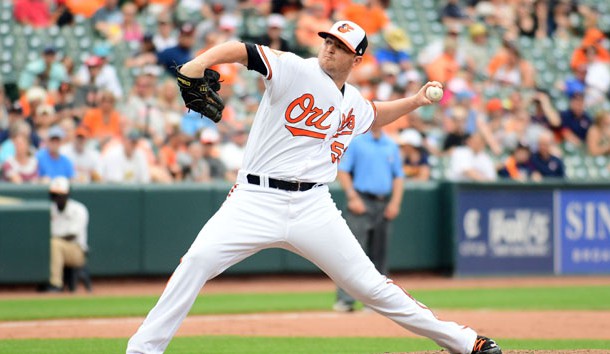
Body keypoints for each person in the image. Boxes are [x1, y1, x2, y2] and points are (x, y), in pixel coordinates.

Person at [127, 21, 502, 354]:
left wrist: (417, 101)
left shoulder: (352, 101)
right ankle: (143, 350)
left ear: (356, 60)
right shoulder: (294, 68)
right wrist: (196, 65)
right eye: (328, 41)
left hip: (313, 206)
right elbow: (241, 51)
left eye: (340, 46)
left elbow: (375, 113)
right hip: (255, 198)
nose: (329, 48)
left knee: (370, 286)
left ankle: (463, 342)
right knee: (195, 263)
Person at [333, 124, 404, 312]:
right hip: (362, 200)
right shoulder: (356, 141)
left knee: (380, 255)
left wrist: (395, 203)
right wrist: (352, 196)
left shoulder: (390, 144)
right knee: (353, 253)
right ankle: (345, 300)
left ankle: (376, 301)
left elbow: (398, 176)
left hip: (383, 202)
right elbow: (343, 170)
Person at [40, 177, 89, 292]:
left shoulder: (78, 209)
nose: (56, 198)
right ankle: (41, 281)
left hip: (76, 250)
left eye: (59, 195)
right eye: (54, 195)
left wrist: (51, 238)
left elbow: (72, 235)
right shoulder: (50, 209)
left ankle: (56, 283)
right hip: (53, 247)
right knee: (50, 244)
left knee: (54, 243)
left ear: (67, 195)